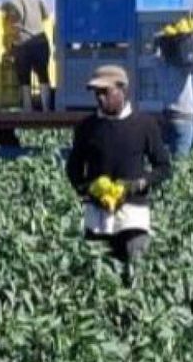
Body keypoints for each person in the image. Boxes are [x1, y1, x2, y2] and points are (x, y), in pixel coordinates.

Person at [65, 65, 171, 278]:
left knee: (135, 275)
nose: (100, 99)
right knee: (97, 280)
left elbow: (163, 168)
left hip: (133, 216)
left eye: (106, 92)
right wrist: (88, 188)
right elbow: (73, 168)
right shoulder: (87, 126)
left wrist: (137, 184)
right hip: (97, 218)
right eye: (97, 94)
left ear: (123, 90)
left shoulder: (144, 124)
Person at [2, 0, 53, 112]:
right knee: (43, 74)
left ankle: (27, 108)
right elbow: (46, 16)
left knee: (24, 77)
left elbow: (6, 20)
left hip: (21, 43)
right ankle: (46, 108)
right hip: (39, 40)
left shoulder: (8, 1)